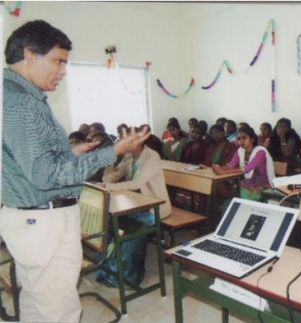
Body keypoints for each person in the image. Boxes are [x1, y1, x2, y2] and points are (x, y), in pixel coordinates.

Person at [0, 20, 150, 322]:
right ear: (30, 54)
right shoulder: (22, 104)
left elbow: (32, 160)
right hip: (41, 219)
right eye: (57, 61)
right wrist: (114, 151)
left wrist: (72, 151)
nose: (63, 71)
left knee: (38, 299)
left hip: (32, 217)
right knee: (58, 310)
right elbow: (45, 176)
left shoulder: (16, 96)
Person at [98, 127, 172, 286]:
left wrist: (106, 186)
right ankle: (112, 270)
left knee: (131, 233)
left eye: (129, 140)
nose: (123, 143)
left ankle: (129, 276)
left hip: (155, 206)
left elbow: (135, 183)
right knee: (117, 229)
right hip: (135, 203)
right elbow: (110, 178)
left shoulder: (152, 157)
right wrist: (111, 162)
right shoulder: (130, 156)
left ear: (139, 141)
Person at [213, 125, 275, 201]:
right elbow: (230, 165)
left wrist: (223, 170)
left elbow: (247, 169)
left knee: (234, 192)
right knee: (220, 188)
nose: (241, 141)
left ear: (252, 139)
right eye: (239, 138)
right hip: (248, 182)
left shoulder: (260, 152)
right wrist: (218, 168)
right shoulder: (240, 150)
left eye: (244, 138)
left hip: (264, 186)